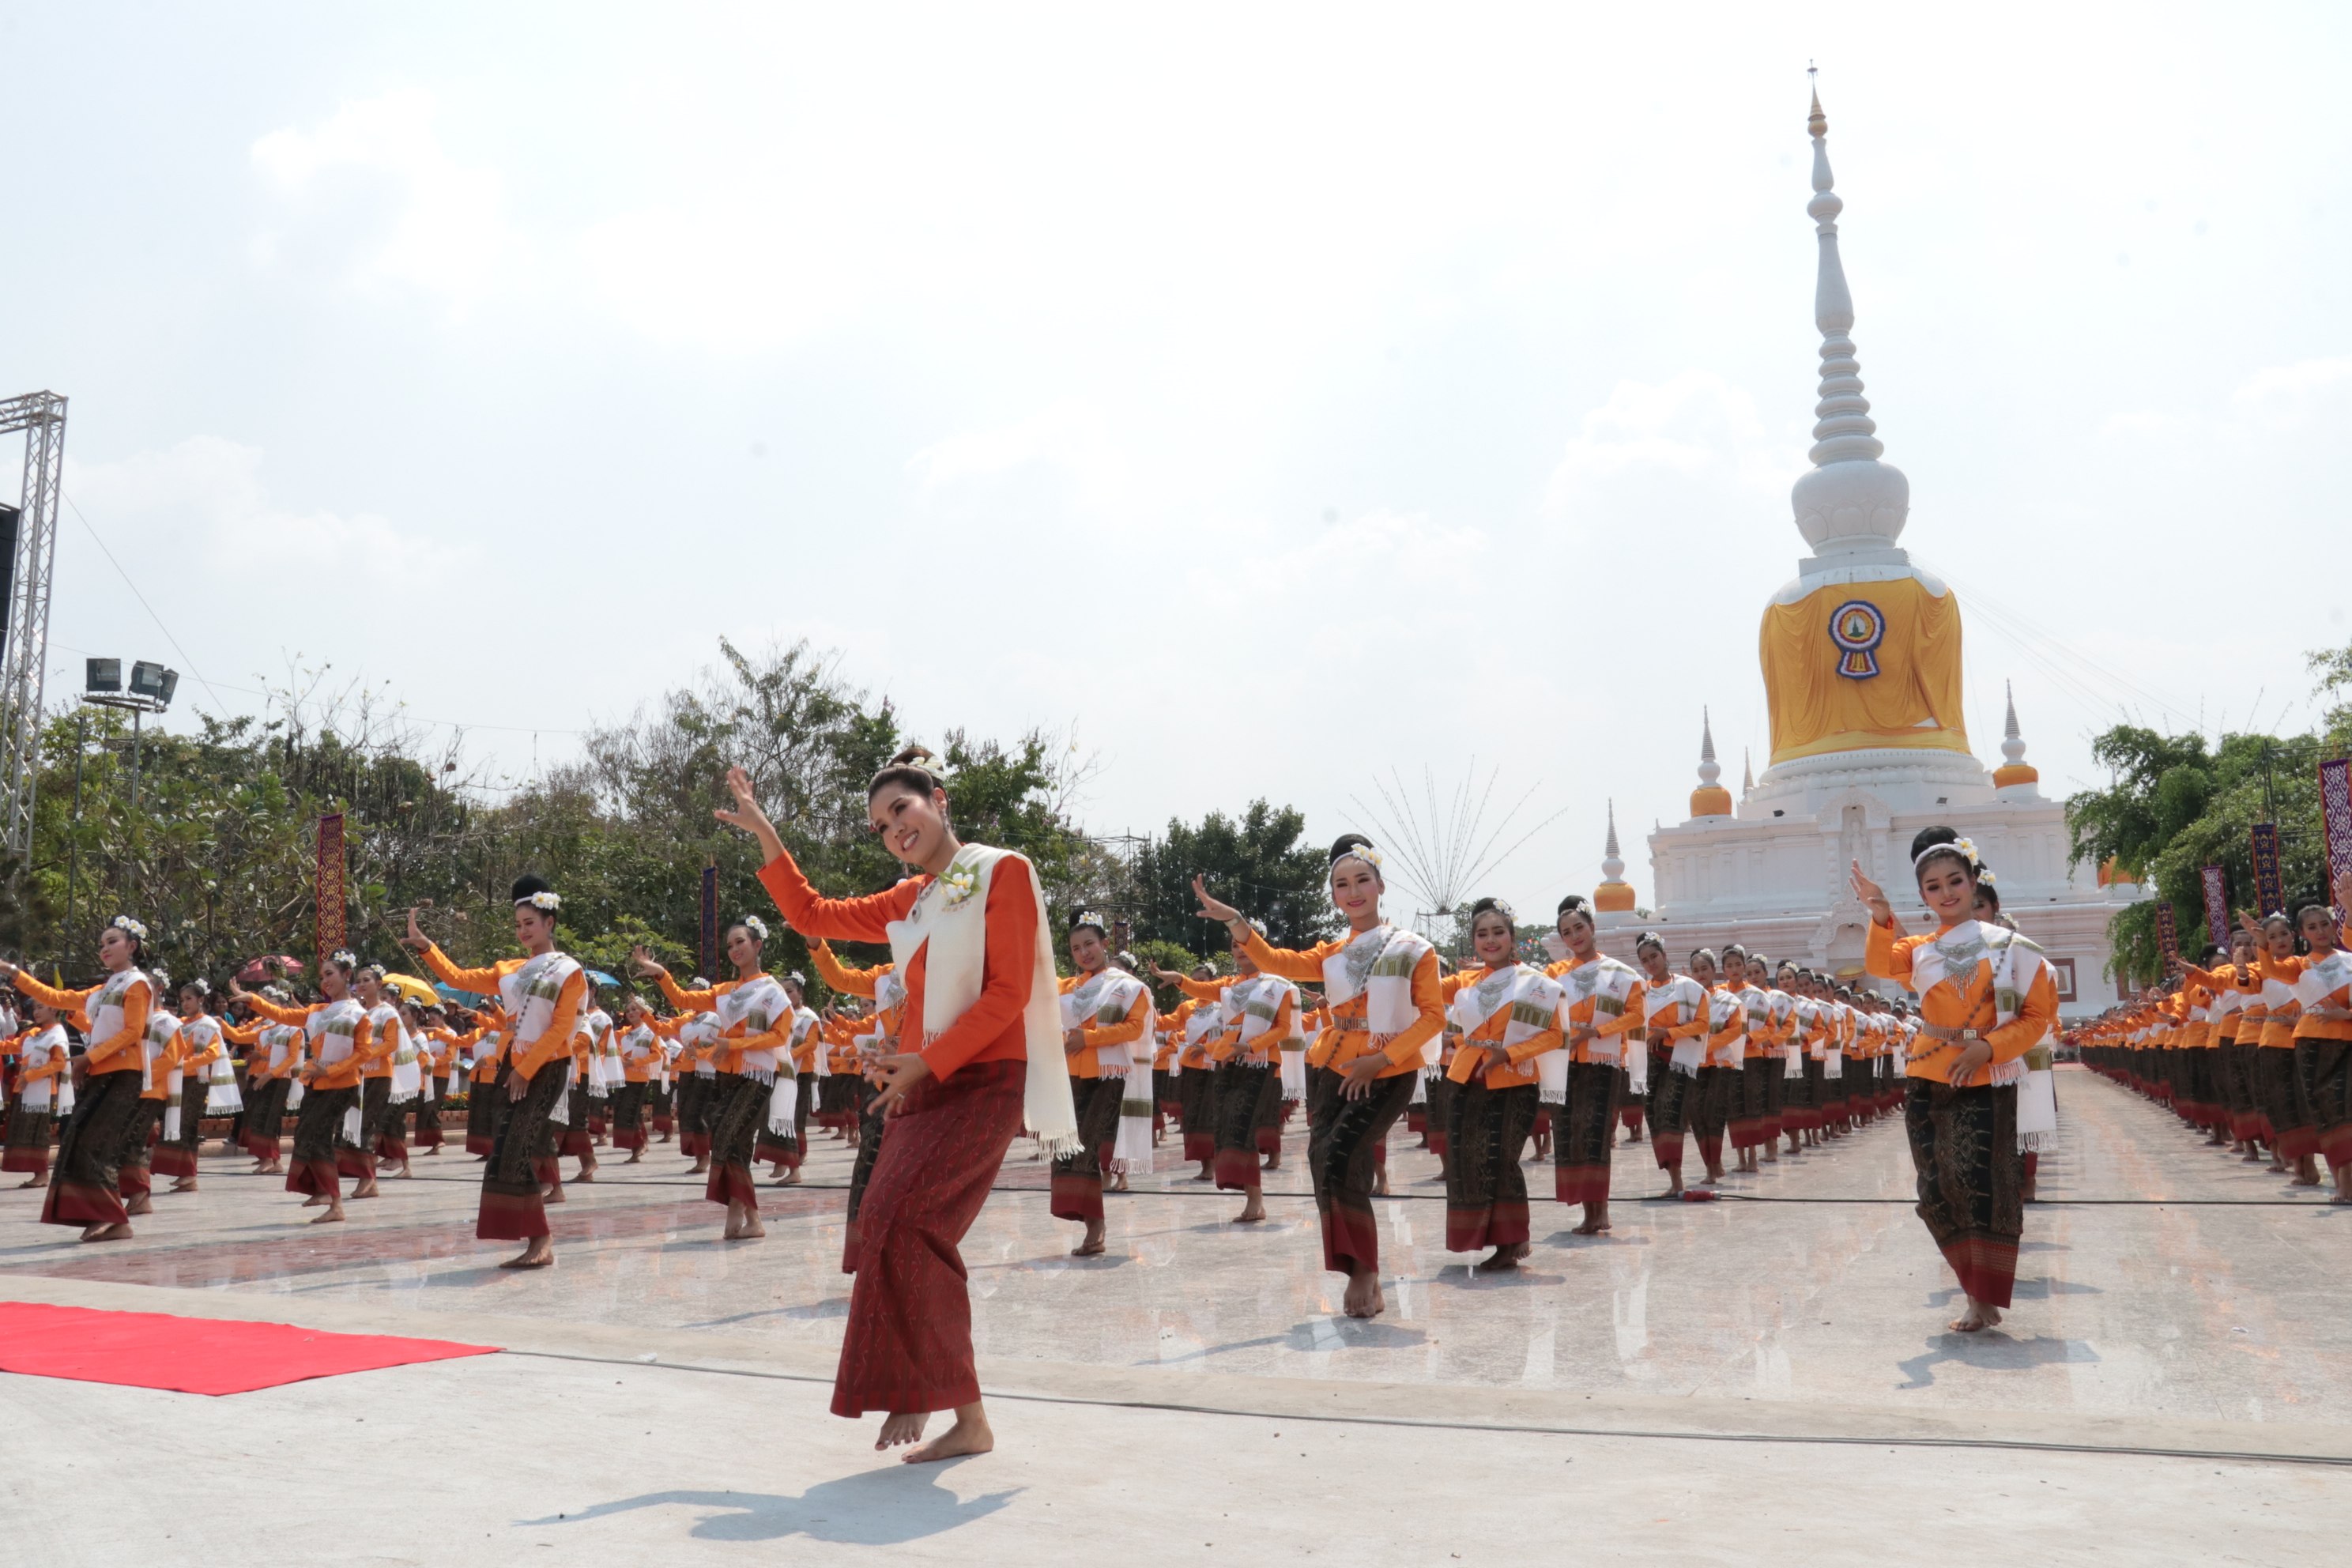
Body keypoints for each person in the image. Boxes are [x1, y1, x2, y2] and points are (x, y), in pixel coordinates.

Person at [728, 747, 1076, 1462]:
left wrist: (928, 1059)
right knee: (883, 1222)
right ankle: (947, 1403)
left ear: (938, 800)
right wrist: (766, 832)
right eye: (882, 825)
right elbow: (810, 913)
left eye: (901, 810)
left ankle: (950, 1406)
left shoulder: (998, 870)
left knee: (912, 1223)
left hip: (981, 1077)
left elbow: (1009, 992)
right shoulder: (911, 898)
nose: (894, 829)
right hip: (917, 1081)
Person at [1191, 833, 1443, 1320]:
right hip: (1333, 1068)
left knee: (1344, 1153)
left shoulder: (1415, 949)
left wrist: (1382, 1059)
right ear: (1333, 895)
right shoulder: (1331, 954)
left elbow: (1432, 1017)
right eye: (1342, 884)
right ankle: (1358, 1268)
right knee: (1324, 1162)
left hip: (1386, 1070)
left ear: (1381, 885)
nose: (1353, 891)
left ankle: (1367, 1272)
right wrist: (1236, 921)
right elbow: (1274, 962)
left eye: (1362, 880)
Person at [1853, 827, 2059, 1333]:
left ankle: (1980, 1297)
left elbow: (2038, 1017)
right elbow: (1879, 963)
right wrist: (1880, 914)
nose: (1946, 893)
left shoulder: (2014, 949)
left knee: (1984, 1183)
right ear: (1923, 896)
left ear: (1973, 882)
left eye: (1955, 881)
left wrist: (1988, 1047)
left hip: (1988, 1076)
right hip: (1929, 1074)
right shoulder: (1918, 949)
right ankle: (1970, 1283)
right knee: (1936, 1187)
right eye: (1933, 886)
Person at [402, 876, 588, 1268]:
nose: (522, 931)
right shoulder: (509, 969)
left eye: (530, 923)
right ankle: (537, 1237)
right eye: (518, 924)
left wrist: (524, 1069)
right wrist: (426, 948)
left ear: (549, 923)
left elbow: (560, 1028)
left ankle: (542, 1240)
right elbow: (458, 978)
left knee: (518, 1147)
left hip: (547, 1067)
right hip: (514, 1067)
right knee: (505, 1151)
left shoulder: (568, 970)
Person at [634, 916, 796, 1241]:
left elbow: (780, 1036)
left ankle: (743, 1212)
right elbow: (682, 1000)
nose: (734, 949)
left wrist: (732, 1044)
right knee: (732, 1141)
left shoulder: (773, 992)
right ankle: (750, 1217)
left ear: (757, 945)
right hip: (727, 1076)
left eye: (741, 942)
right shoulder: (722, 992)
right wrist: (661, 974)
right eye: (730, 945)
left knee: (725, 1132)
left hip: (757, 1075)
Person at [0, 918, 161, 1239]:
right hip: (101, 1073)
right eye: (101, 943)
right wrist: (11, 970)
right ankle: (107, 1216)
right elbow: (55, 997)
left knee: (95, 1141)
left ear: (132, 947)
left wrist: (89, 1057)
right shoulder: (103, 989)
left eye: (112, 941)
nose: (104, 948)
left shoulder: (137, 984)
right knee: (80, 1138)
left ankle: (115, 1219)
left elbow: (133, 1032)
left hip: (124, 1073)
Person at [1441, 896, 1559, 1266]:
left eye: (1498, 933)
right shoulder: (1465, 982)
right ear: (1474, 941)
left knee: (1502, 1158)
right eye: (1481, 935)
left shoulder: (1533, 984)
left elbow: (1554, 1036)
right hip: (1465, 1078)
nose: (1490, 941)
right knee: (1467, 1158)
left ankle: (1512, 1241)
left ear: (1513, 937)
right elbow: (1422, 990)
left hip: (1513, 1079)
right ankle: (1487, 1237)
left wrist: (1507, 1054)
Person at [232, 955, 375, 1223]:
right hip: (315, 1082)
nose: (325, 981)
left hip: (341, 1084)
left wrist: (330, 1070)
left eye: (330, 974)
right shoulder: (318, 1011)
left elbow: (364, 1053)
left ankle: (335, 1203)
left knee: (316, 1134)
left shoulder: (358, 1014)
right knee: (308, 1135)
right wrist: (251, 999)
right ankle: (324, 1193)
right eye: (322, 977)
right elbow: (284, 1014)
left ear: (347, 975)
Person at [1546, 895, 1645, 1234]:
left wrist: (1597, 1031)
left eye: (1579, 927)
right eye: (1567, 932)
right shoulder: (1554, 974)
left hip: (1602, 1063)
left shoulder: (1621, 973)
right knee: (1570, 1133)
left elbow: (1635, 1015)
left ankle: (1600, 1211)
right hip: (1564, 1064)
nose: (1575, 936)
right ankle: (1586, 1209)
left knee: (1596, 1132)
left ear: (1592, 927)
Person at [1632, 933, 1708, 1197]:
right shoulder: (1641, 991)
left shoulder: (1688, 987)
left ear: (1664, 955)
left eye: (1654, 956)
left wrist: (1666, 1033)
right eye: (1645, 960)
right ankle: (1672, 1177)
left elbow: (1702, 1024)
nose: (1651, 963)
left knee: (1670, 1110)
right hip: (1650, 1059)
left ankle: (1678, 1182)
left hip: (1677, 1059)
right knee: (1653, 1112)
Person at [153, 980, 227, 1192]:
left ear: (201, 1000)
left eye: (189, 999)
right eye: (182, 1000)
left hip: (195, 1079)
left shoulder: (208, 1024)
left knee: (187, 1124)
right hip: (177, 1078)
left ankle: (188, 1174)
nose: (185, 1003)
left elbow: (211, 1054)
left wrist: (184, 1065)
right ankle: (186, 1173)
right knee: (177, 1123)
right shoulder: (180, 1023)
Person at [2, 1001, 70, 1187]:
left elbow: (59, 1063)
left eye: (41, 1007)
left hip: (43, 1089)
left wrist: (30, 1076)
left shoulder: (57, 1034)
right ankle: (38, 1174)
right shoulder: (32, 1033)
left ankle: (42, 1174)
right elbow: (11, 1047)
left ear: (54, 1009)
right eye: (34, 1008)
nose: (36, 1012)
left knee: (38, 1132)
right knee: (24, 1131)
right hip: (25, 1088)